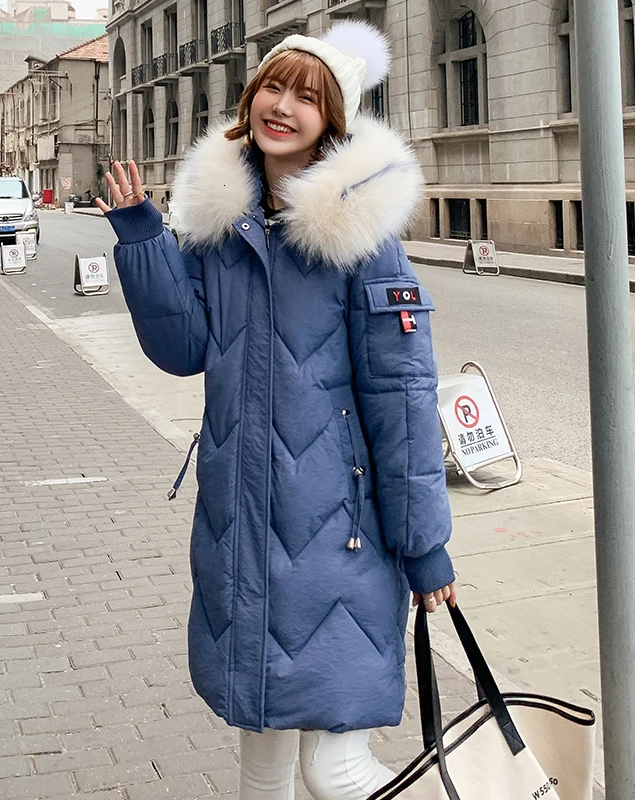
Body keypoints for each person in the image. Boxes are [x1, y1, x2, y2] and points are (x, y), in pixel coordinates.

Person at [95, 20, 457, 800]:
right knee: (260, 761)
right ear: (250, 96)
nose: (283, 106)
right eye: (273, 86)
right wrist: (142, 238)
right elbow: (183, 349)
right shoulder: (216, 227)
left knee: (336, 768)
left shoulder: (361, 236)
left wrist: (425, 545)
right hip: (239, 527)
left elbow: (402, 400)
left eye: (307, 96)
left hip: (341, 535)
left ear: (333, 120)